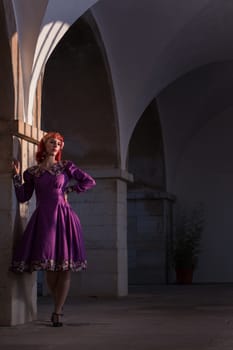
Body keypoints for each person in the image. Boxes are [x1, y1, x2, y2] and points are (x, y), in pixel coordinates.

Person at [11, 132, 96, 327]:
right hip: (43, 218)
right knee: (49, 266)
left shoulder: (66, 167)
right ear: (44, 145)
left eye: (59, 143)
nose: (56, 145)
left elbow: (89, 181)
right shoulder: (32, 172)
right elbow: (23, 196)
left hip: (64, 218)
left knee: (65, 267)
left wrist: (70, 189)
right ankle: (58, 303)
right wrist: (16, 177)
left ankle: (57, 311)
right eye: (52, 142)